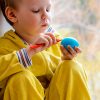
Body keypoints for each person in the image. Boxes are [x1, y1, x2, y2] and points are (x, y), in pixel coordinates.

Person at [0, 0, 90, 100]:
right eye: (36, 10)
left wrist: (65, 59)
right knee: (20, 79)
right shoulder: (4, 46)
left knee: (72, 66)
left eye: (48, 9)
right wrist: (28, 53)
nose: (45, 15)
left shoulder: (56, 41)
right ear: (12, 14)